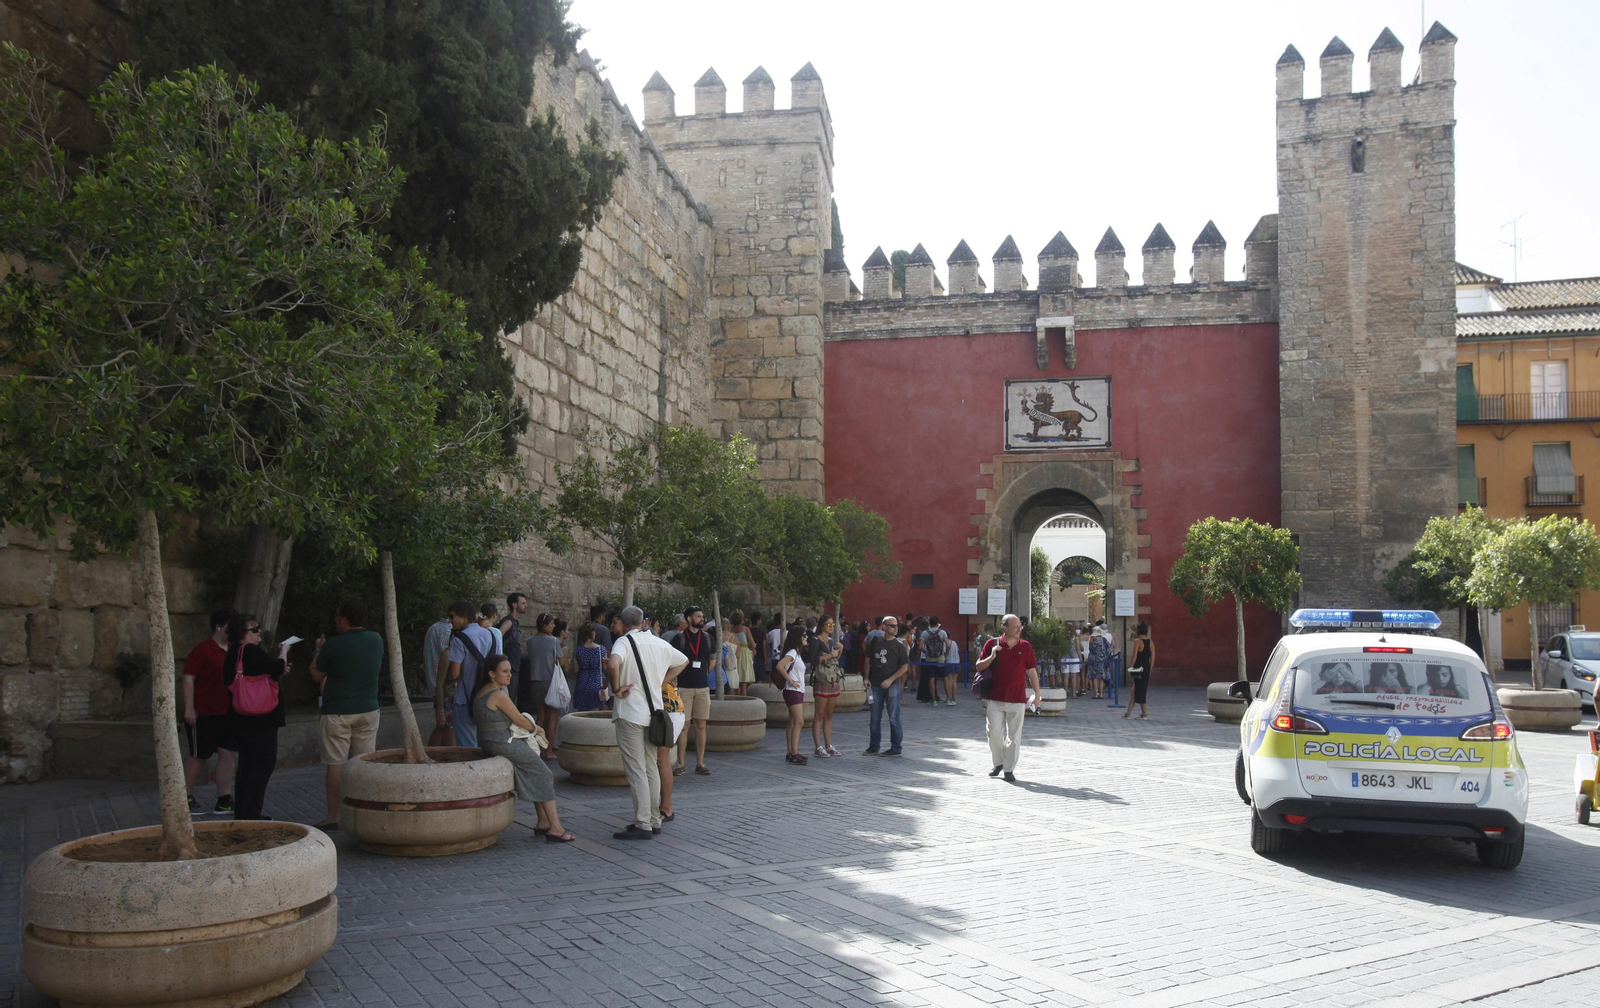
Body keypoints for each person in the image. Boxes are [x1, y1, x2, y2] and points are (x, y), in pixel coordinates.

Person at [472, 654, 574, 842]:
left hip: (490, 741)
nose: (510, 675)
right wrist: (538, 729)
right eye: (505, 671)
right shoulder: (498, 694)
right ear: (491, 674)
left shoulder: (482, 691)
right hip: (503, 742)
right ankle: (556, 828)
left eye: (510, 671)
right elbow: (518, 719)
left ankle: (543, 822)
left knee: (533, 772)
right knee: (544, 773)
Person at [605, 606, 687, 839]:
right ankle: (653, 820)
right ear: (644, 623)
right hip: (654, 714)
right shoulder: (659, 643)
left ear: (622, 622)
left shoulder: (623, 642)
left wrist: (615, 688)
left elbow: (612, 664)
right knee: (651, 767)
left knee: (636, 769)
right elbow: (683, 661)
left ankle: (642, 823)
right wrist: (662, 679)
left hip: (630, 713)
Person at [309, 600, 383, 830]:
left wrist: (318, 650)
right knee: (364, 762)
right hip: (368, 709)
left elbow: (316, 675)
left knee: (336, 764)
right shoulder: (376, 639)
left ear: (344, 619)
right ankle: (367, 812)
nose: (335, 620)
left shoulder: (333, 645)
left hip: (337, 712)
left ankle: (333, 817)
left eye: (337, 616)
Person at [223, 613, 288, 820]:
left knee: (246, 766)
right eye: (254, 629)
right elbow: (277, 667)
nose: (259, 632)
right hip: (261, 720)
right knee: (263, 764)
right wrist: (284, 650)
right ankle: (252, 814)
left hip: (240, 719)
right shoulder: (250, 650)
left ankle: (243, 813)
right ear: (243, 635)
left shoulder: (233, 653)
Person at [974, 614, 1042, 782]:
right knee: (994, 733)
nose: (1019, 629)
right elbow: (978, 666)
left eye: (1020, 627)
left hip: (1017, 699)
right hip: (995, 698)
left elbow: (1032, 671)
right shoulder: (992, 644)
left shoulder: (1025, 646)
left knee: (1014, 736)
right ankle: (998, 763)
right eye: (1015, 627)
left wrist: (1037, 695)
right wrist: (991, 656)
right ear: (1005, 628)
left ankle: (1008, 769)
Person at [183, 607, 237, 816]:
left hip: (228, 713)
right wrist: (189, 708)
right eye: (229, 628)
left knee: (228, 753)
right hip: (204, 712)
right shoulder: (202, 650)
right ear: (218, 627)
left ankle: (224, 799)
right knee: (200, 754)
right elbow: (188, 677)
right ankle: (185, 796)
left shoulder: (232, 650)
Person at [438, 599, 496, 748]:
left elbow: (455, 673)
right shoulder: (491, 635)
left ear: (463, 615)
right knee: (485, 743)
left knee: (468, 745)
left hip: (465, 698)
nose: (450, 622)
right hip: (488, 697)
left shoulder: (459, 640)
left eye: (452, 617)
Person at [669, 606, 717, 776]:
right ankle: (681, 764)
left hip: (702, 687)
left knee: (701, 725)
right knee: (683, 726)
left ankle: (700, 763)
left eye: (702, 616)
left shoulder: (707, 638)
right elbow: (672, 660)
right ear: (689, 619)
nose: (701, 618)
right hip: (684, 687)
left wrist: (705, 674)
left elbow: (712, 659)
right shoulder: (679, 639)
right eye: (698, 616)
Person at [865, 616, 908, 756]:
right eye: (892, 626)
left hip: (892, 686)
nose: (896, 629)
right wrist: (866, 677)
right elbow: (868, 659)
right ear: (884, 627)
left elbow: (904, 667)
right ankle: (873, 746)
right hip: (875, 684)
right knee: (874, 718)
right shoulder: (875, 641)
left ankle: (896, 748)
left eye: (897, 626)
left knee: (894, 718)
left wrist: (891, 680)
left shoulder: (899, 645)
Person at [525, 613, 564, 756]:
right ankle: (549, 750)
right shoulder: (554, 641)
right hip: (550, 680)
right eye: (551, 623)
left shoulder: (530, 641)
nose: (554, 626)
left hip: (535, 680)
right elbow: (562, 662)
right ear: (544, 625)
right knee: (553, 716)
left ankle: (538, 748)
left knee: (540, 716)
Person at [774, 625, 810, 764]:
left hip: (796, 691)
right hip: (793, 691)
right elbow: (779, 666)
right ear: (797, 638)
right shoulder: (793, 652)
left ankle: (790, 751)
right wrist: (791, 681)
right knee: (799, 721)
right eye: (804, 635)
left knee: (792, 721)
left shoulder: (797, 653)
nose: (806, 637)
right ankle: (794, 752)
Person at [810, 616, 844, 758]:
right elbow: (813, 659)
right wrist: (830, 655)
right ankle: (818, 746)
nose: (831, 626)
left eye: (832, 624)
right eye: (828, 624)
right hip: (822, 679)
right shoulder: (815, 640)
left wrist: (839, 651)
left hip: (832, 679)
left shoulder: (830, 641)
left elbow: (834, 660)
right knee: (819, 714)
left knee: (829, 715)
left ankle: (829, 745)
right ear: (821, 626)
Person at [656, 671, 685, 823]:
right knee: (661, 761)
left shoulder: (665, 656)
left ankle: (666, 807)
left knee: (661, 761)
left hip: (670, 712)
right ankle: (663, 806)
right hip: (666, 712)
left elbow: (683, 661)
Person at [571, 622, 610, 711]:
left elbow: (576, 670)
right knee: (594, 716)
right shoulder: (601, 649)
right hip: (597, 684)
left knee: (581, 716)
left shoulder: (578, 650)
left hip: (582, 684)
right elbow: (605, 668)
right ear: (592, 634)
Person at [498, 592, 528, 704]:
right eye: (523, 603)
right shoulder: (509, 622)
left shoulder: (514, 622)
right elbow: (498, 636)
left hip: (514, 666)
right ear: (514, 605)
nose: (526, 605)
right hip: (509, 667)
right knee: (508, 701)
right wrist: (501, 653)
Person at [1122, 621, 1154, 719]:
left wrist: (1131, 667)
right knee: (1134, 690)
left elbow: (1134, 656)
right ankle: (1128, 713)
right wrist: (1150, 669)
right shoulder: (1151, 642)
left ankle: (1144, 714)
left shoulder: (1137, 641)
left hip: (1138, 668)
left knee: (1140, 691)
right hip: (1146, 668)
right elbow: (1152, 658)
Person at [421, 612, 453, 702]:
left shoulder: (432, 628)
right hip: (445, 685)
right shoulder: (448, 630)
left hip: (432, 681)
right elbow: (448, 657)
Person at [725, 610, 756, 696]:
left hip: (733, 652)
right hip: (745, 653)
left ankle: (736, 698)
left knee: (736, 679)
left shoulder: (730, 629)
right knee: (744, 681)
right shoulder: (745, 629)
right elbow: (752, 644)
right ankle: (744, 700)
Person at [919, 617, 948, 706]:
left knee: (931, 679)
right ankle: (949, 698)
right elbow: (949, 644)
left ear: (929, 623)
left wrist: (926, 652)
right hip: (940, 658)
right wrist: (945, 654)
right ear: (937, 623)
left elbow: (920, 647)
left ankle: (933, 700)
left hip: (929, 658)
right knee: (945, 678)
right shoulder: (942, 632)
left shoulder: (925, 633)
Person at [942, 631, 961, 706]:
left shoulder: (945, 643)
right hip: (957, 662)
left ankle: (949, 698)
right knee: (954, 681)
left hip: (949, 662)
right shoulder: (954, 643)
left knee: (949, 681)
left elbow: (944, 652)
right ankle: (954, 698)